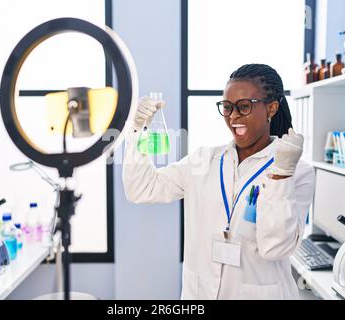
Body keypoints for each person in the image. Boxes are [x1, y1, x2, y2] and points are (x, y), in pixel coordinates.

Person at [122, 64, 315, 300]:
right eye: (227, 107)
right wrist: (136, 130)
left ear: (271, 108)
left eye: (243, 107)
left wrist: (281, 175)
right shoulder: (204, 160)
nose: (233, 117)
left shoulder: (298, 172)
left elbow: (275, 247)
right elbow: (141, 189)